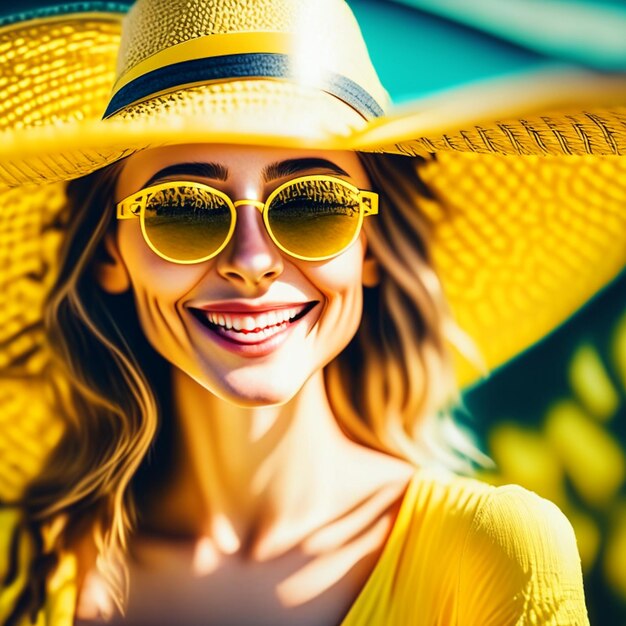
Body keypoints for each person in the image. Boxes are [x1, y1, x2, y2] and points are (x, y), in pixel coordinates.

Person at [1, 0, 625, 624]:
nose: (252, 260)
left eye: (312, 205)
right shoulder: (32, 568)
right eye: (183, 211)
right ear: (113, 251)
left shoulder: (494, 548)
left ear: (371, 247)